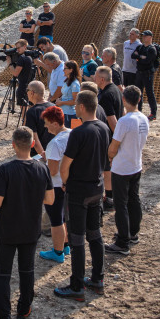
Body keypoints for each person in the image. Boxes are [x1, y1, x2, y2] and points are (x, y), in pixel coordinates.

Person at [0, 127, 55, 319]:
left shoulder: (6, 169)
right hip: (30, 229)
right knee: (27, 271)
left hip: (7, 230)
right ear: (33, 144)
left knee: (3, 275)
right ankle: (24, 308)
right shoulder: (42, 169)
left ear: (13, 145)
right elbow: (50, 200)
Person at [54, 91, 110, 301]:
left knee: (77, 238)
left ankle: (77, 285)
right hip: (97, 188)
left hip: (78, 190)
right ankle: (97, 278)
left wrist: (66, 183)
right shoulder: (104, 128)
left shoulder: (78, 132)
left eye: (77, 105)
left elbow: (65, 164)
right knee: (95, 234)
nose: (75, 108)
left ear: (83, 107)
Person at [105, 86, 149, 255]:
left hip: (121, 167)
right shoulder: (143, 118)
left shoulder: (125, 120)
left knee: (120, 204)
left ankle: (122, 241)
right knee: (133, 199)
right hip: (135, 164)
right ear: (138, 99)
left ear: (124, 99)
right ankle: (132, 233)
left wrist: (110, 156)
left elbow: (114, 146)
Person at [39, 105, 71, 263]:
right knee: (64, 216)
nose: (45, 126)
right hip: (69, 183)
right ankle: (65, 245)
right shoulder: (72, 134)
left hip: (56, 186)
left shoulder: (54, 143)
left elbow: (52, 170)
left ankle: (58, 252)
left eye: (47, 123)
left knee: (56, 220)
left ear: (55, 123)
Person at [94, 66, 123, 210]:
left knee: (107, 169)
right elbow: (122, 112)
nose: (94, 78)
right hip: (113, 134)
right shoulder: (116, 90)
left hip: (110, 136)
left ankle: (110, 198)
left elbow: (112, 120)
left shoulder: (105, 95)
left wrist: (116, 141)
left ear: (102, 79)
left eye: (95, 76)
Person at [131, 31, 159, 121]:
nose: (144, 37)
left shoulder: (152, 49)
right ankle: (138, 110)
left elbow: (147, 61)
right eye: (143, 36)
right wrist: (141, 57)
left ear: (150, 37)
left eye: (146, 36)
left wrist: (139, 57)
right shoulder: (140, 47)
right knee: (139, 92)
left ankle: (153, 113)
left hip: (148, 74)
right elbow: (133, 56)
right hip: (139, 72)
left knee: (150, 92)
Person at [24, 81, 53, 157]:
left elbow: (35, 140)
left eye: (27, 90)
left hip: (39, 155)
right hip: (54, 152)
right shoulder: (54, 107)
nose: (26, 93)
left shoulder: (32, 112)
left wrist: (44, 157)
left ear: (32, 93)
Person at [57, 60, 82, 128]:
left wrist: (62, 102)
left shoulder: (75, 84)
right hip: (64, 113)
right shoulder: (67, 81)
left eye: (65, 68)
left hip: (70, 114)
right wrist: (59, 100)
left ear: (71, 70)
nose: (63, 70)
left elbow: (75, 101)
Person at [10, 39, 34, 107]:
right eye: (16, 48)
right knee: (30, 108)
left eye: (18, 48)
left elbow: (15, 73)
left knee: (23, 109)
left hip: (23, 87)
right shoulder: (31, 56)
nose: (17, 50)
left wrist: (9, 63)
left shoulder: (22, 58)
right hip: (32, 85)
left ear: (24, 47)